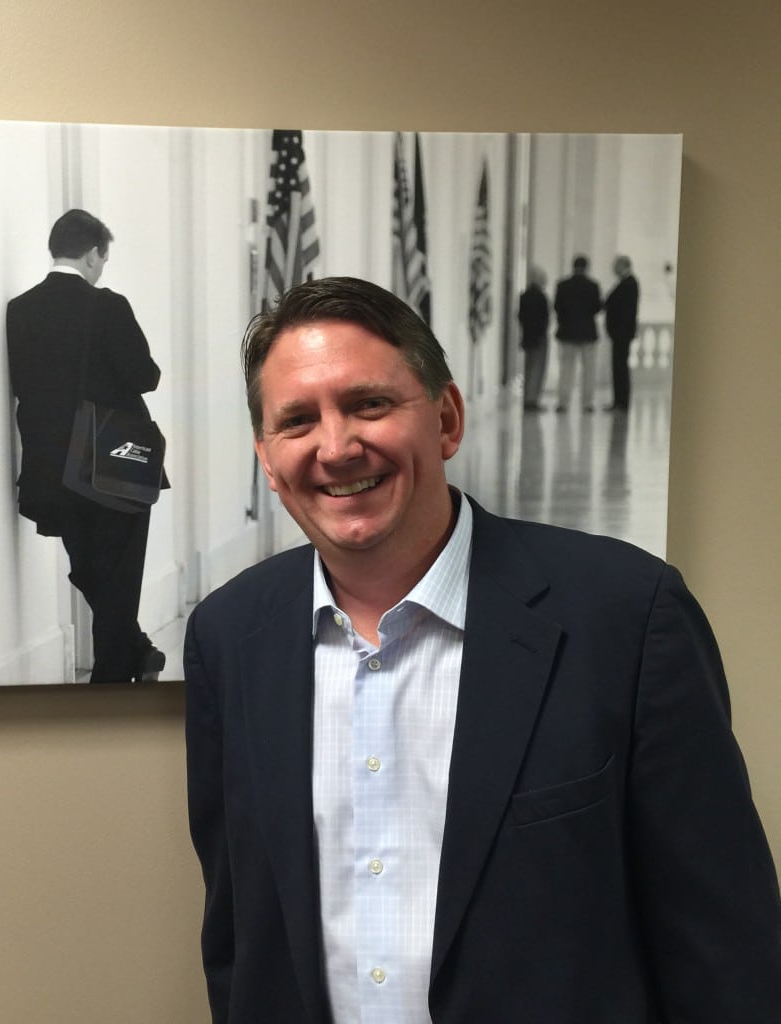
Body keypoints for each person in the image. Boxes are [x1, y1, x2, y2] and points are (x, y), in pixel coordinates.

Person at [185, 276, 781, 1023]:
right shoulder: (229, 639)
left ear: (446, 417)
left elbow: (724, 943)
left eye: (369, 403)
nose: (336, 447)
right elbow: (238, 935)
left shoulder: (627, 617)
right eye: (298, 420)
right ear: (268, 460)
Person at [7, 209, 165, 683]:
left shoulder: (20, 308)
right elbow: (145, 376)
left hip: (50, 465)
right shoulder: (107, 306)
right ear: (94, 253)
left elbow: (22, 382)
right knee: (119, 570)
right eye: (104, 257)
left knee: (89, 568)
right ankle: (112, 676)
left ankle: (135, 655)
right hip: (112, 460)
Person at [553, 254, 602, 412]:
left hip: (567, 332)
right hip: (588, 332)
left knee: (566, 369)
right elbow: (596, 308)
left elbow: (557, 308)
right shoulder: (593, 286)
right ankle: (587, 403)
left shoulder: (562, 285)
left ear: (573, 267)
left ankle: (563, 402)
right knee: (589, 370)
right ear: (586, 267)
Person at [604, 254, 640, 411]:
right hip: (620, 333)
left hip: (622, 333)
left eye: (616, 265)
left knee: (620, 368)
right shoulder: (627, 283)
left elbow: (620, 308)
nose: (614, 269)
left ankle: (621, 402)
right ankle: (619, 401)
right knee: (619, 367)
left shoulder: (629, 283)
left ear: (623, 266)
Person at [517, 265, 550, 411]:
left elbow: (521, 316)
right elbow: (545, 318)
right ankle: (532, 400)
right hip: (539, 337)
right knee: (538, 368)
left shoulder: (524, 296)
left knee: (529, 367)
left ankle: (527, 398)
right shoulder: (541, 297)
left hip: (527, 336)